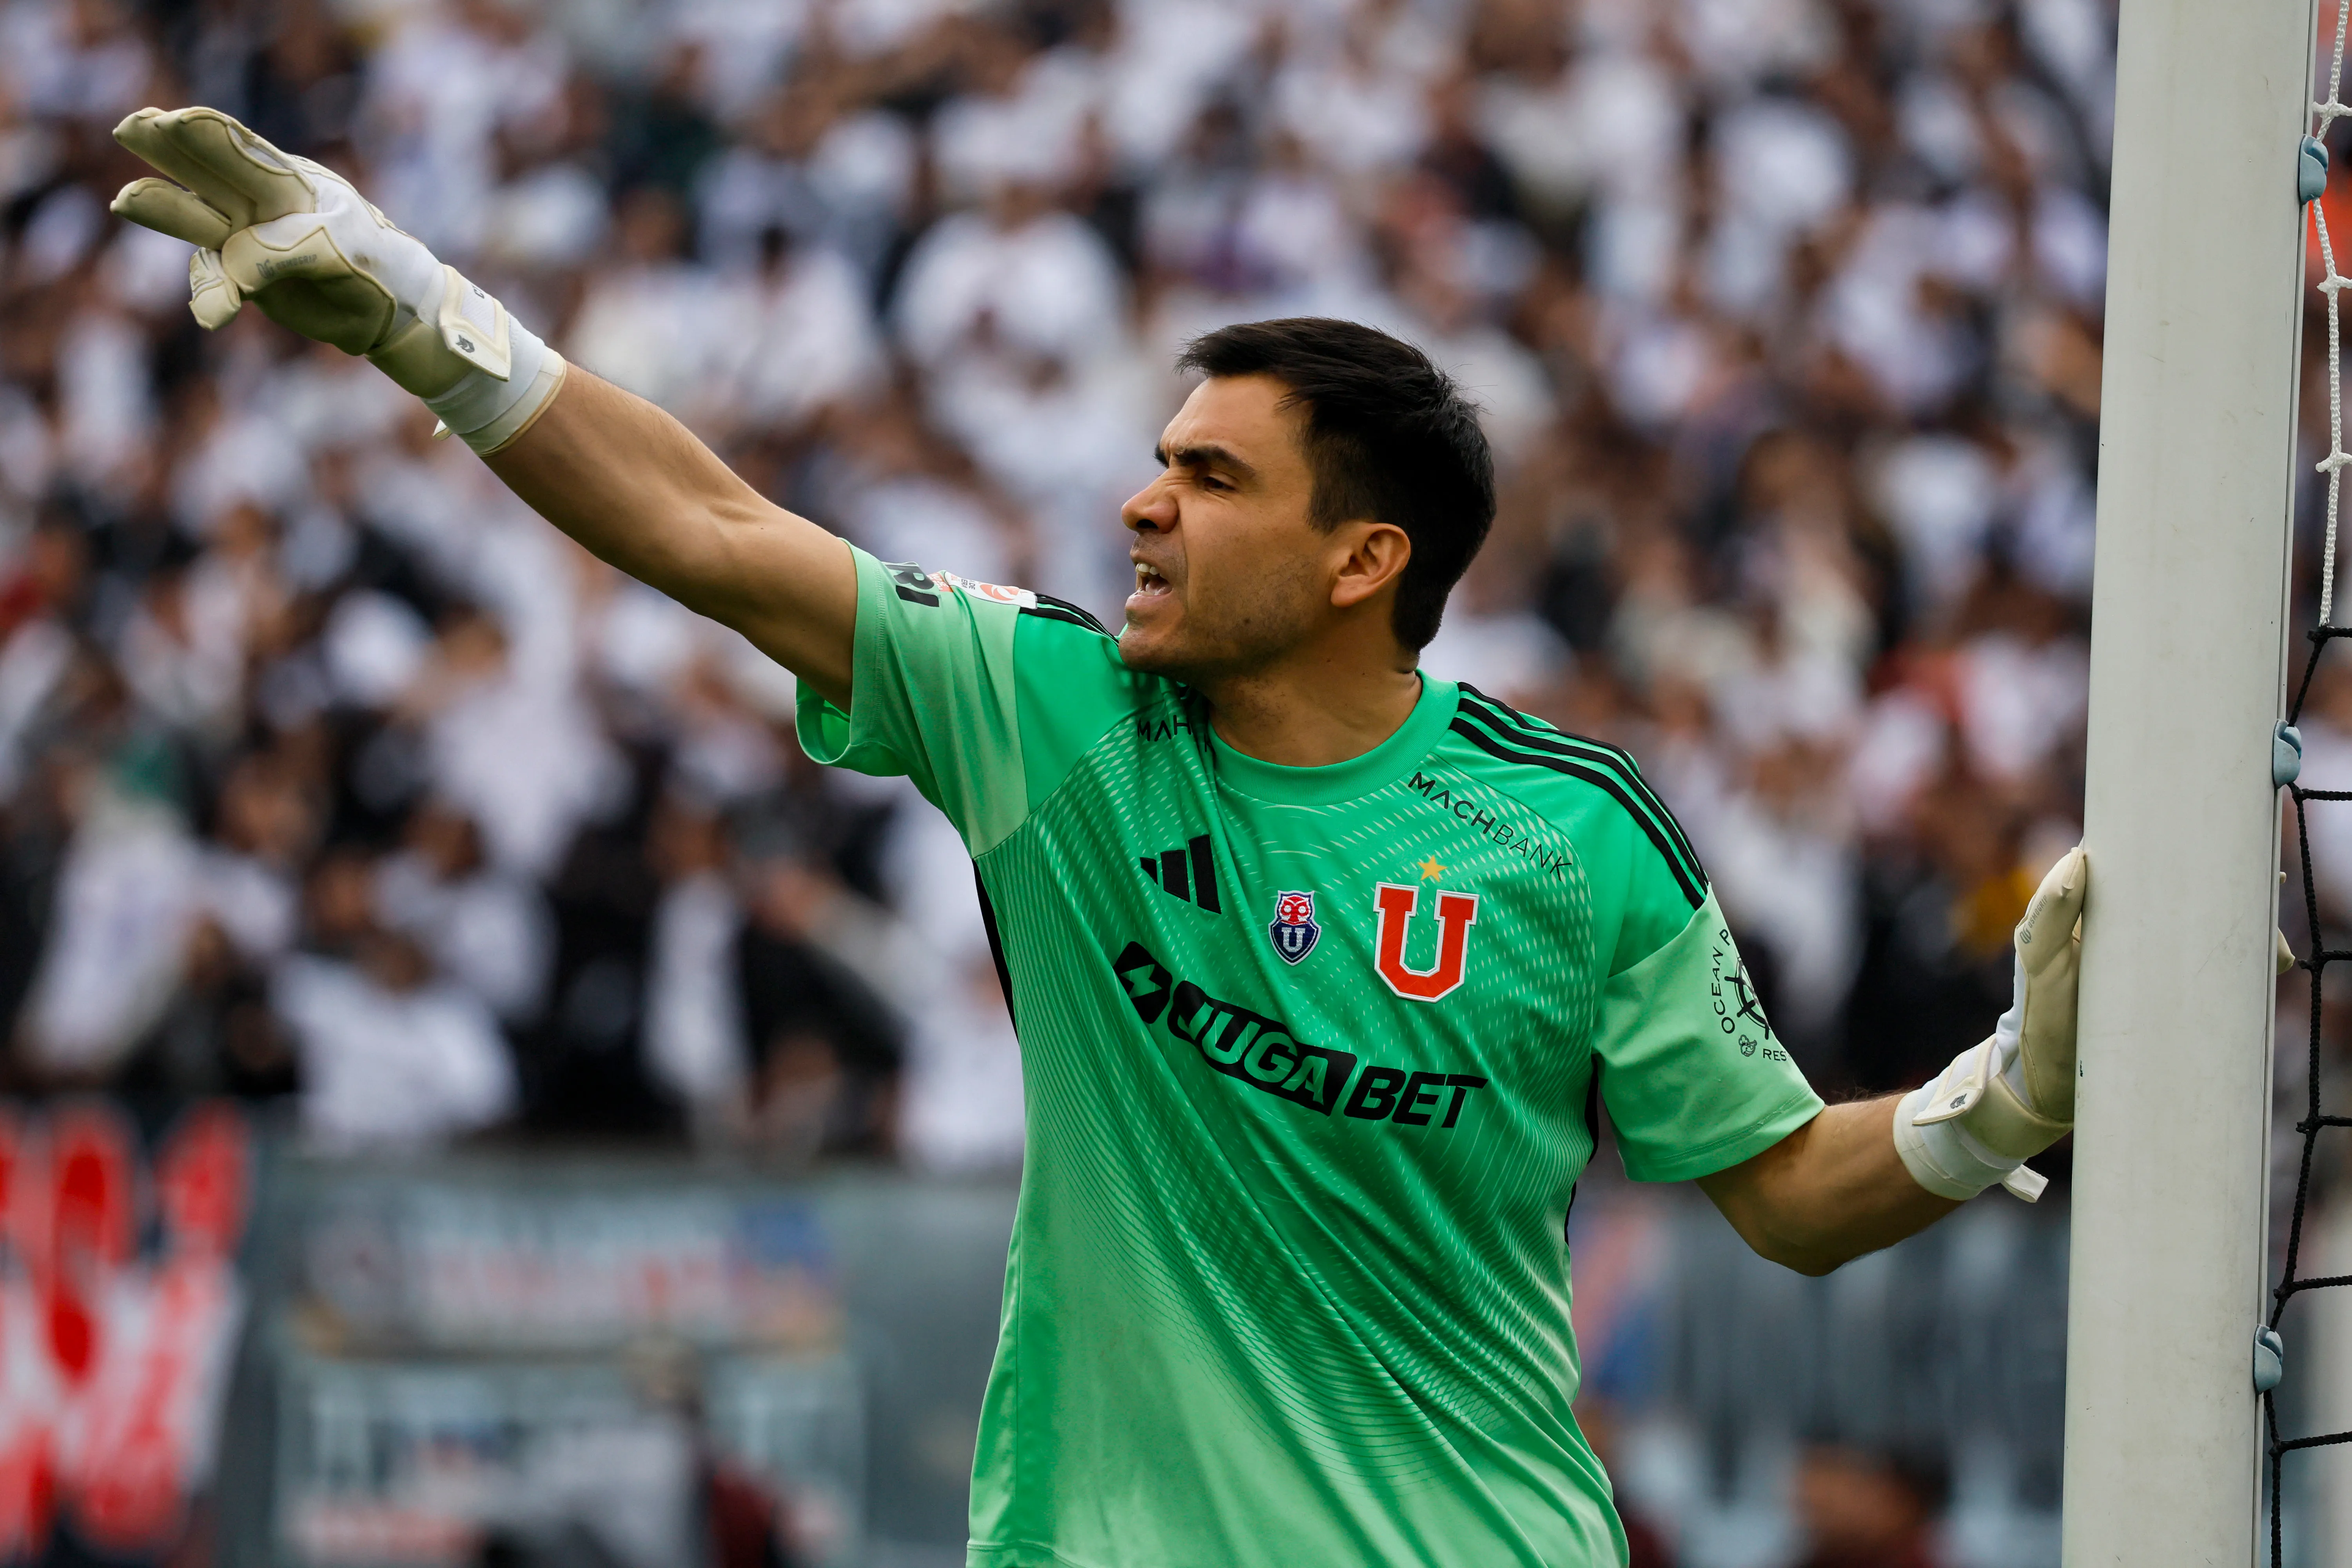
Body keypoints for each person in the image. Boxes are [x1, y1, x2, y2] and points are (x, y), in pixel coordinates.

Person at [107, 108, 2086, 1568]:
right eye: (1156, 462)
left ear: (1362, 559)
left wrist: (2005, 1098)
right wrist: (418, 310)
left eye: (1208, 479)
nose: (1143, 507)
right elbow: (713, 531)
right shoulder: (1054, 716)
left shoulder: (1571, 842)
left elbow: (1784, 1186)